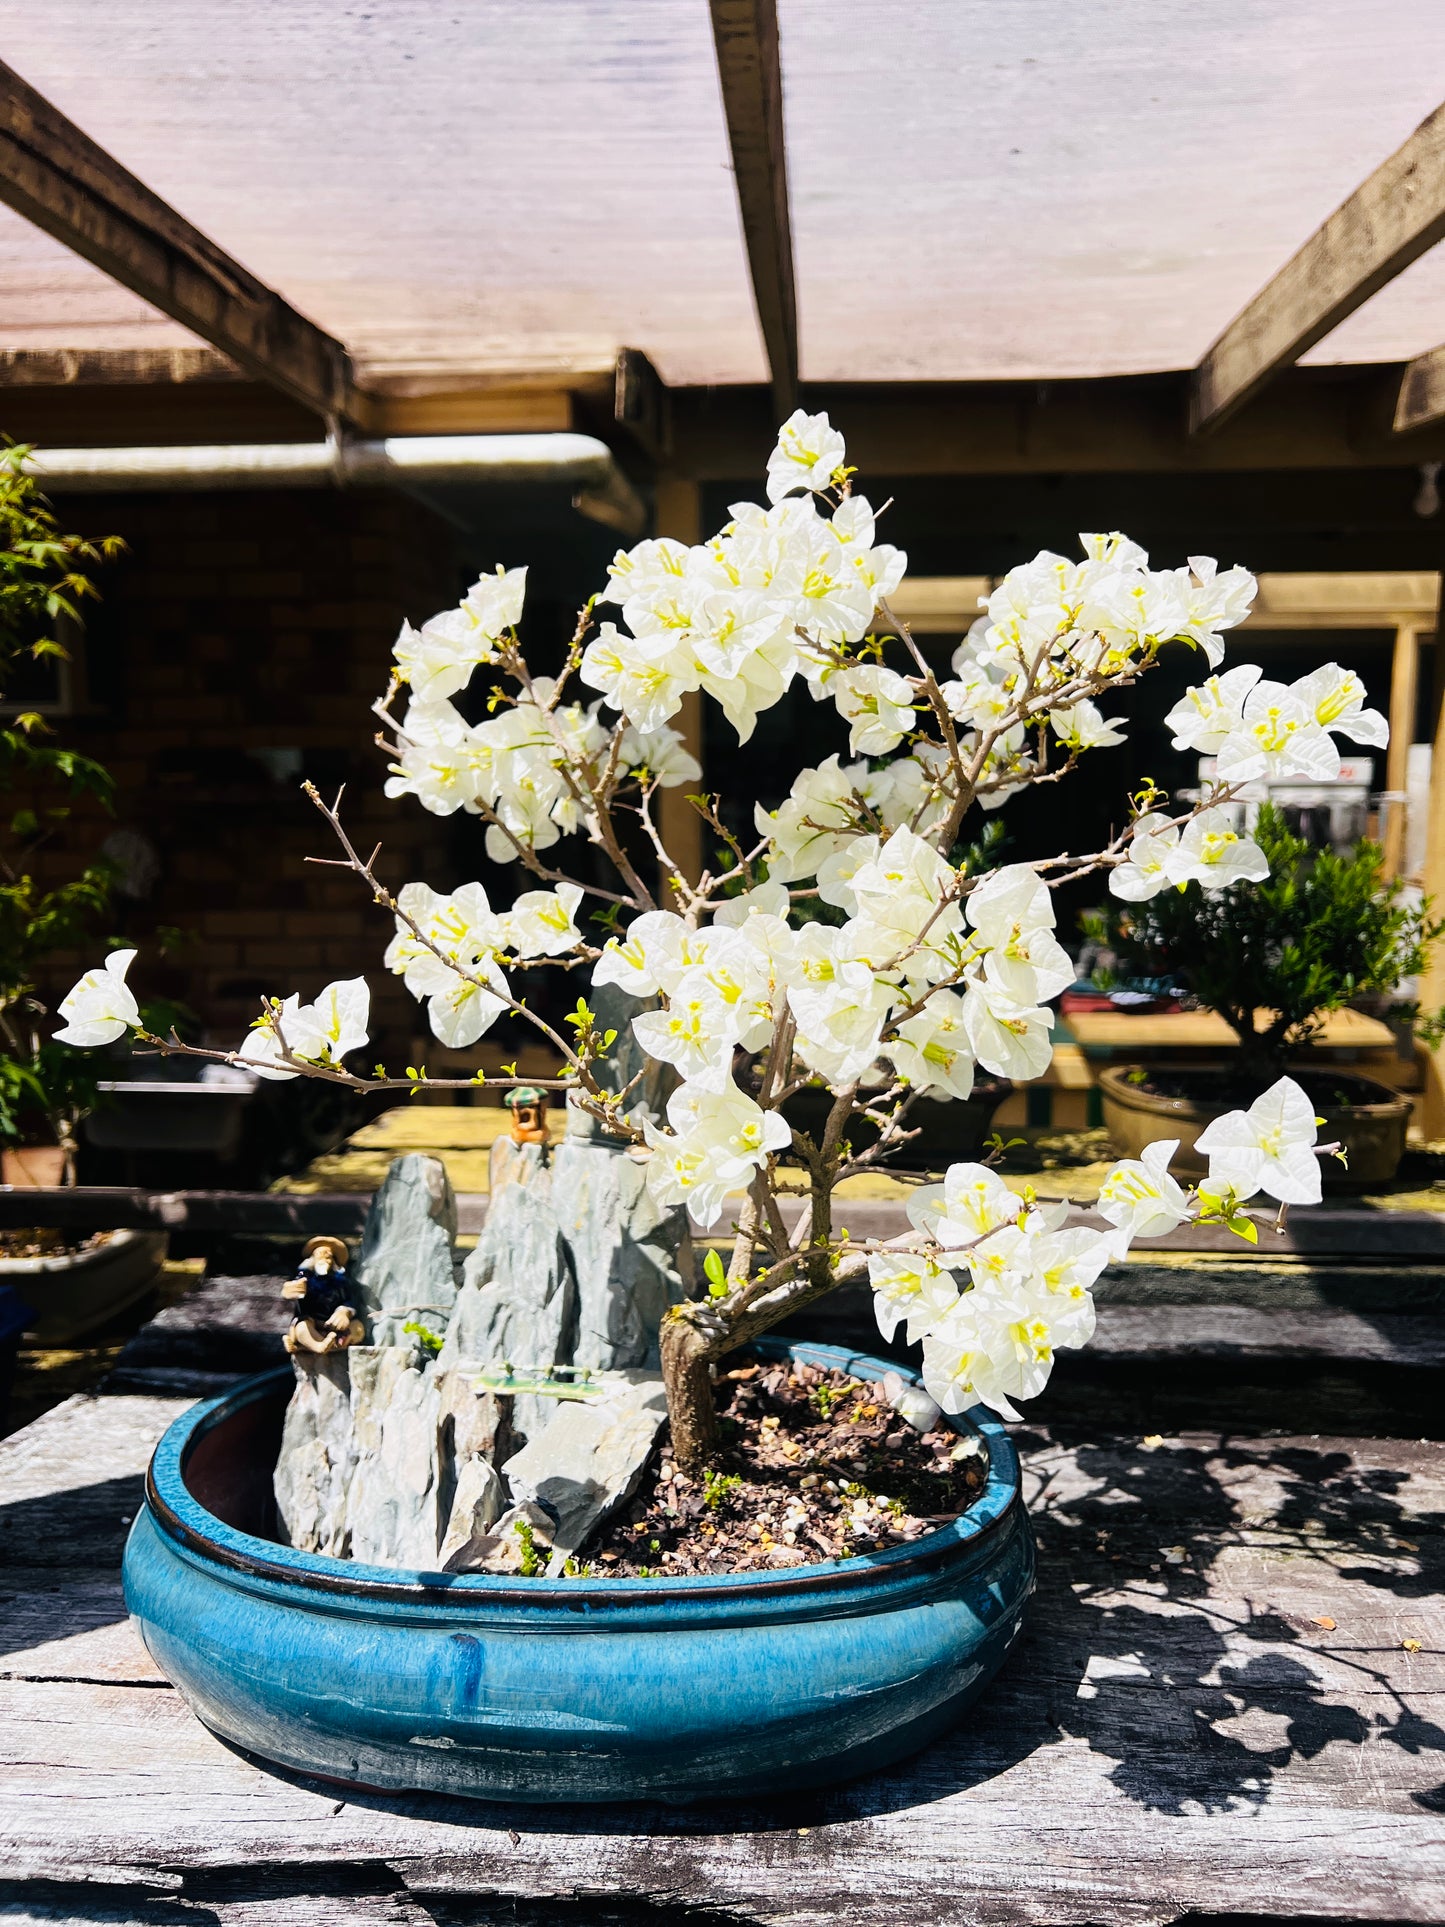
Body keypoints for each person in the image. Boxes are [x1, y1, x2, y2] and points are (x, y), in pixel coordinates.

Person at [281, 1234, 364, 1355]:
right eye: (319, 1255)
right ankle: (318, 1346)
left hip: (333, 1325)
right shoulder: (306, 1278)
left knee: (357, 1328)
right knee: (302, 1327)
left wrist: (344, 1312)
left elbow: (348, 1300)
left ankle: (322, 1346)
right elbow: (294, 1285)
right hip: (312, 1323)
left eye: (328, 1256)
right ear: (312, 1259)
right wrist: (289, 1289)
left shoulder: (340, 1281)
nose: (323, 1259)